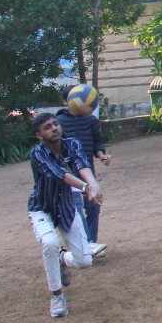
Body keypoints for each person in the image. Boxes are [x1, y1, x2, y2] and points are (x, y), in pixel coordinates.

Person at [27, 112, 103, 318]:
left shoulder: (72, 144)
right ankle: (56, 295)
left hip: (66, 206)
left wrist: (94, 184)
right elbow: (61, 175)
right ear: (39, 134)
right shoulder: (37, 153)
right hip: (41, 208)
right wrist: (86, 187)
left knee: (85, 262)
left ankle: (62, 258)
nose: (54, 128)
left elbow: (81, 165)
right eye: (47, 127)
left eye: (55, 124)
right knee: (50, 243)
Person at [56, 86, 111, 258]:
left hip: (87, 171)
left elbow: (96, 143)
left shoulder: (91, 121)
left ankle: (90, 244)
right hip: (67, 175)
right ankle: (80, 247)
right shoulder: (59, 122)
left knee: (93, 207)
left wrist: (102, 154)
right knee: (75, 212)